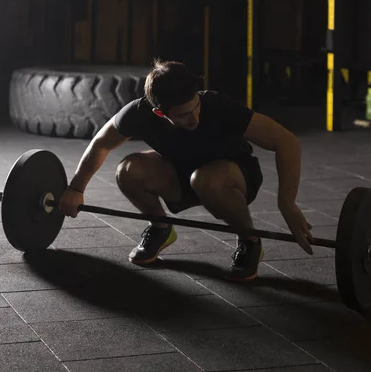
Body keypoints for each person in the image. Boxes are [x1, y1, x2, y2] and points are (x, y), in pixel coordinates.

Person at [58, 59, 313, 281]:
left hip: (234, 176)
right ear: (159, 112)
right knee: (128, 170)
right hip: (181, 175)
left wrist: (287, 203)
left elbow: (287, 141)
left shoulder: (217, 105)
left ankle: (249, 241)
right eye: (182, 116)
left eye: (196, 108)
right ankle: (160, 228)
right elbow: (101, 143)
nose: (195, 119)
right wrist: (76, 188)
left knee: (206, 179)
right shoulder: (140, 112)